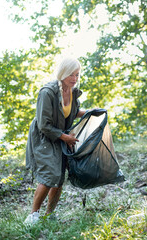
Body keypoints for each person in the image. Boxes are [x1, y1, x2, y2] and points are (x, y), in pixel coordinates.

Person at [24, 57, 86, 224]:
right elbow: (44, 124)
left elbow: (73, 111)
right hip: (45, 136)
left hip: (61, 135)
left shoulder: (73, 92)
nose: (74, 79)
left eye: (77, 75)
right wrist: (65, 138)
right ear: (63, 73)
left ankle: (49, 214)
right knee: (50, 174)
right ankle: (33, 215)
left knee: (59, 176)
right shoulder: (48, 92)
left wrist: (91, 112)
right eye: (71, 75)